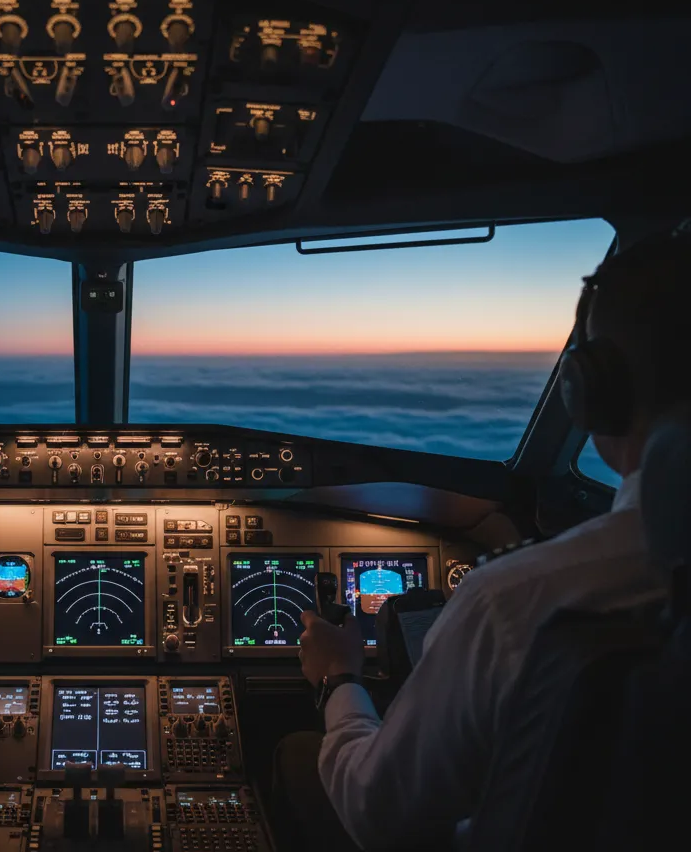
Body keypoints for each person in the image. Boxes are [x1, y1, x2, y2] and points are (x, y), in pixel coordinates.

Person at [276, 226, 691, 851]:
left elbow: (377, 813)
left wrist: (339, 676)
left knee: (296, 755)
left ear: (588, 390)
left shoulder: (514, 602)